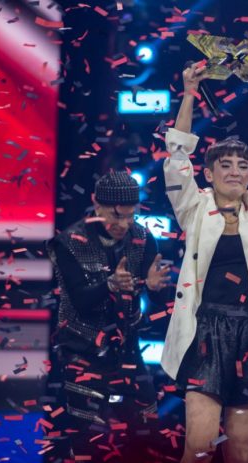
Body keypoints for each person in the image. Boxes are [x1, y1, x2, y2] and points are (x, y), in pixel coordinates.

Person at [160, 62, 248, 463]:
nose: (235, 171)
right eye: (226, 164)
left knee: (241, 449)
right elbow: (177, 153)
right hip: (205, 330)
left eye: (242, 165)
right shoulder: (193, 208)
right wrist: (190, 91)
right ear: (208, 172)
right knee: (200, 447)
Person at [47, 171, 171, 462]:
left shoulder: (143, 239)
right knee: (87, 440)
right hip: (82, 349)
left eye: (130, 216)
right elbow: (80, 301)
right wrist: (110, 285)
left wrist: (156, 289)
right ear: (96, 204)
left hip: (127, 349)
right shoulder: (68, 243)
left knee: (147, 433)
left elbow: (158, 300)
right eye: (116, 215)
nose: (123, 224)